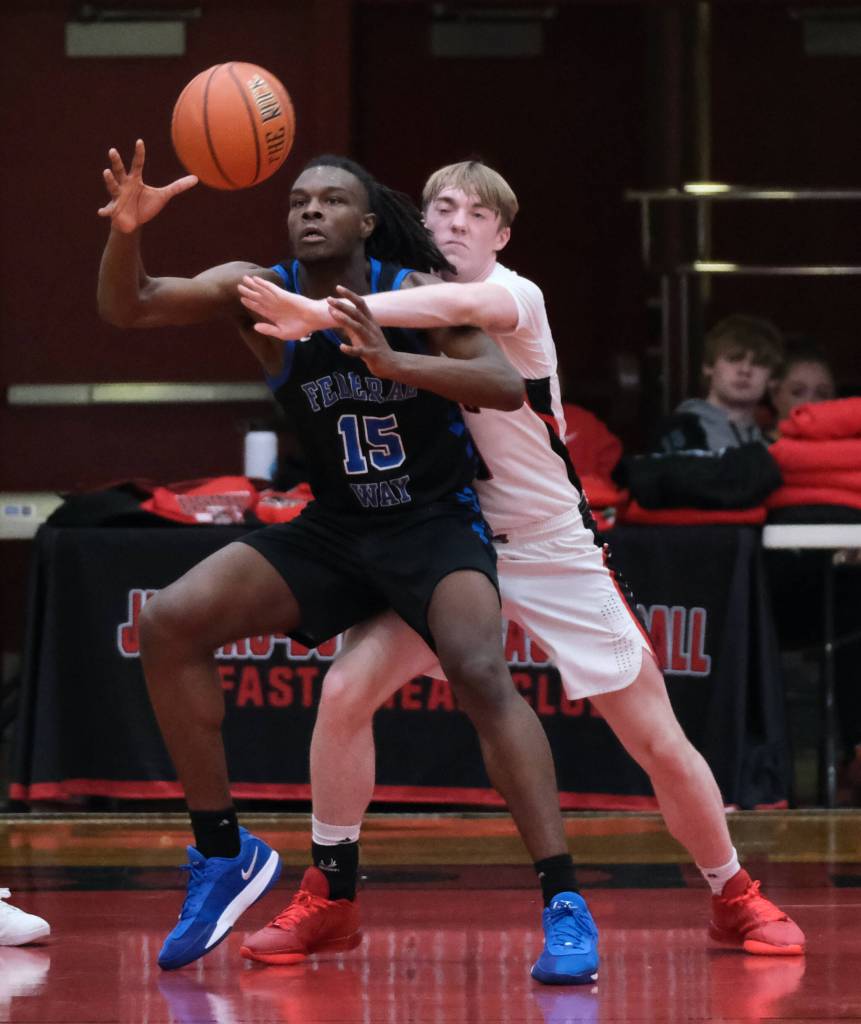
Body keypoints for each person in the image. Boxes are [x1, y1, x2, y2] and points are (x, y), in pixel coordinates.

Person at [237, 160, 806, 977]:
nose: (455, 221)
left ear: (501, 235)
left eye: (477, 212)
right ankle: (331, 895)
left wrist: (316, 314)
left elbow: (457, 306)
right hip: (447, 539)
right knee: (343, 691)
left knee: (653, 735)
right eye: (440, 208)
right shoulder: (398, 298)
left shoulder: (510, 294)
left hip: (549, 544)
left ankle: (731, 889)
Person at [97, 144, 582, 974]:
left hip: (432, 525)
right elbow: (130, 306)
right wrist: (126, 232)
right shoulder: (257, 289)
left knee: (478, 669)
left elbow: (504, 387)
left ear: (365, 222)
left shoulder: (414, 293)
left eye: (328, 200)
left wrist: (392, 360)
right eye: (296, 200)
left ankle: (563, 902)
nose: (308, 210)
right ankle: (223, 854)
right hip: (338, 527)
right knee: (170, 621)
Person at [651, 315, 784, 453]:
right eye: (734, 359)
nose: (745, 370)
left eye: (759, 363)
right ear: (708, 366)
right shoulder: (678, 430)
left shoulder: (773, 448)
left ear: (772, 379)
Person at [766, 341, 836, 439]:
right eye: (798, 392)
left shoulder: (845, 451)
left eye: (822, 394)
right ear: (775, 394)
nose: (810, 403)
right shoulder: (752, 452)